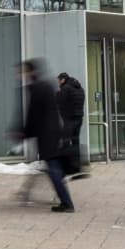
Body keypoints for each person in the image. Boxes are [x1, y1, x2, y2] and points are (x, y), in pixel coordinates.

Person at [15, 59, 75, 213]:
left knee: (53, 167)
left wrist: (24, 132)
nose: (20, 75)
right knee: (52, 167)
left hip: (47, 134)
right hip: (52, 132)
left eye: (23, 71)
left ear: (30, 72)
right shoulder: (45, 85)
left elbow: (33, 114)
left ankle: (66, 202)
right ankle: (63, 199)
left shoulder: (38, 87)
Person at [56, 72, 88, 179]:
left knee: (66, 141)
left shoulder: (66, 88)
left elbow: (60, 101)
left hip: (70, 119)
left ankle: (66, 168)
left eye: (59, 80)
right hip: (79, 118)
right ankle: (77, 166)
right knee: (75, 142)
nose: (58, 83)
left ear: (63, 79)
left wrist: (56, 95)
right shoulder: (80, 88)